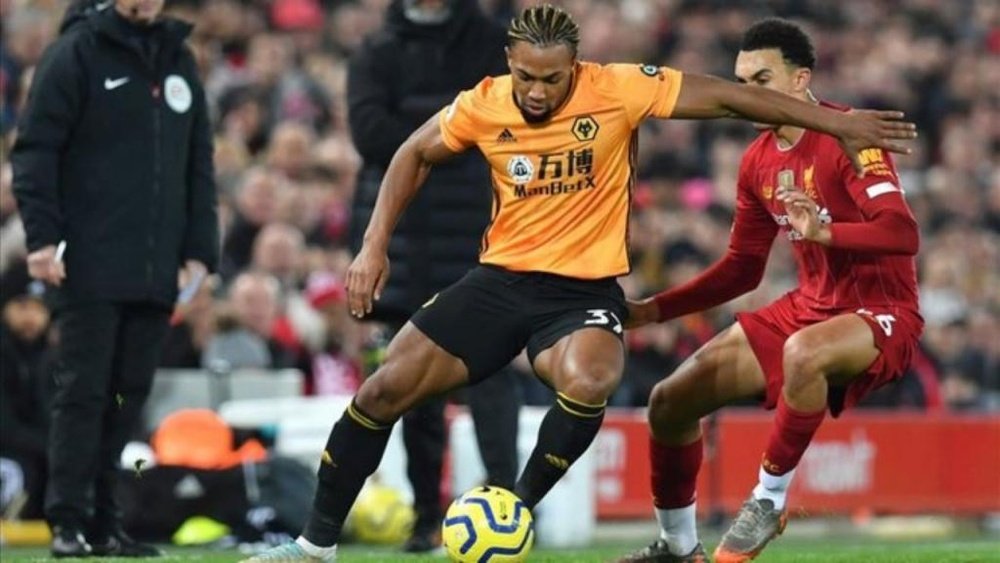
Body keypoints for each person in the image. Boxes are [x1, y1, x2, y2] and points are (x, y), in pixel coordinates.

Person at [245, 5, 915, 561]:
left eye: (552, 79)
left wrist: (837, 121)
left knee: (590, 380)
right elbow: (411, 152)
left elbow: (728, 97)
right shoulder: (484, 103)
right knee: (383, 387)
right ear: (510, 64)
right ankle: (313, 547)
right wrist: (371, 246)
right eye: (526, 77)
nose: (537, 91)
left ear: (576, 67)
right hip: (498, 280)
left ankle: (517, 511)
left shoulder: (618, 87)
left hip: (582, 293)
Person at [616, 19, 922, 563]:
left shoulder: (846, 135)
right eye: (740, 81)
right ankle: (677, 546)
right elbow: (742, 269)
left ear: (800, 78)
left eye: (761, 79)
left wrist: (826, 232)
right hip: (808, 307)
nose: (745, 94)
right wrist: (654, 310)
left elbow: (902, 233)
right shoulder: (757, 160)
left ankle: (768, 499)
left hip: (881, 312)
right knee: (669, 401)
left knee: (802, 352)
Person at [10, 0, 218, 556]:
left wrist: (201, 249)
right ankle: (68, 520)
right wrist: (41, 239)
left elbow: (198, 160)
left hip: (157, 267)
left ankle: (107, 519)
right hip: (89, 260)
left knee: (130, 396)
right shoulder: (75, 52)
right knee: (83, 392)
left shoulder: (179, 60)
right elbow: (34, 152)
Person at [346, 0, 520, 551]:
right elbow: (370, 134)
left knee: (492, 377)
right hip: (402, 240)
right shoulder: (376, 49)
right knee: (410, 386)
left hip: (481, 234)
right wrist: (457, 122)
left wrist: (428, 131)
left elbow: (509, 119)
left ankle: (508, 503)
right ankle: (425, 516)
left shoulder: (492, 40)